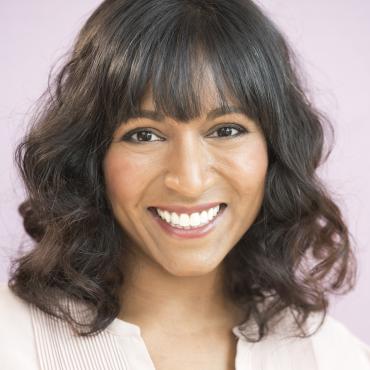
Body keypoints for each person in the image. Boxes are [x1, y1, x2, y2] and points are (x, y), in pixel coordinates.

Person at [0, 0, 369, 369]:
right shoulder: (12, 341)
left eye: (227, 130)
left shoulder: (330, 356)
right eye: (144, 135)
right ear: (90, 156)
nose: (189, 182)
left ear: (275, 149)